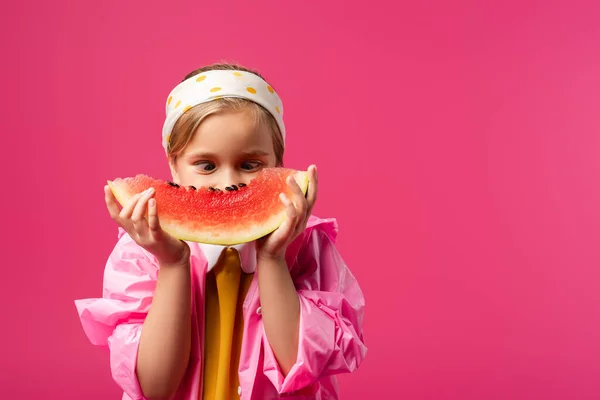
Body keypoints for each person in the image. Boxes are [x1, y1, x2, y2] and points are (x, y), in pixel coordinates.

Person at [75, 63, 367, 400]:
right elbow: (155, 387)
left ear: (278, 163)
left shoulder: (307, 244)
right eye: (206, 165)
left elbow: (301, 366)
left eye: (249, 165)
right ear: (173, 165)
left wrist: (272, 257)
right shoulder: (141, 250)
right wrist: (172, 264)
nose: (228, 182)